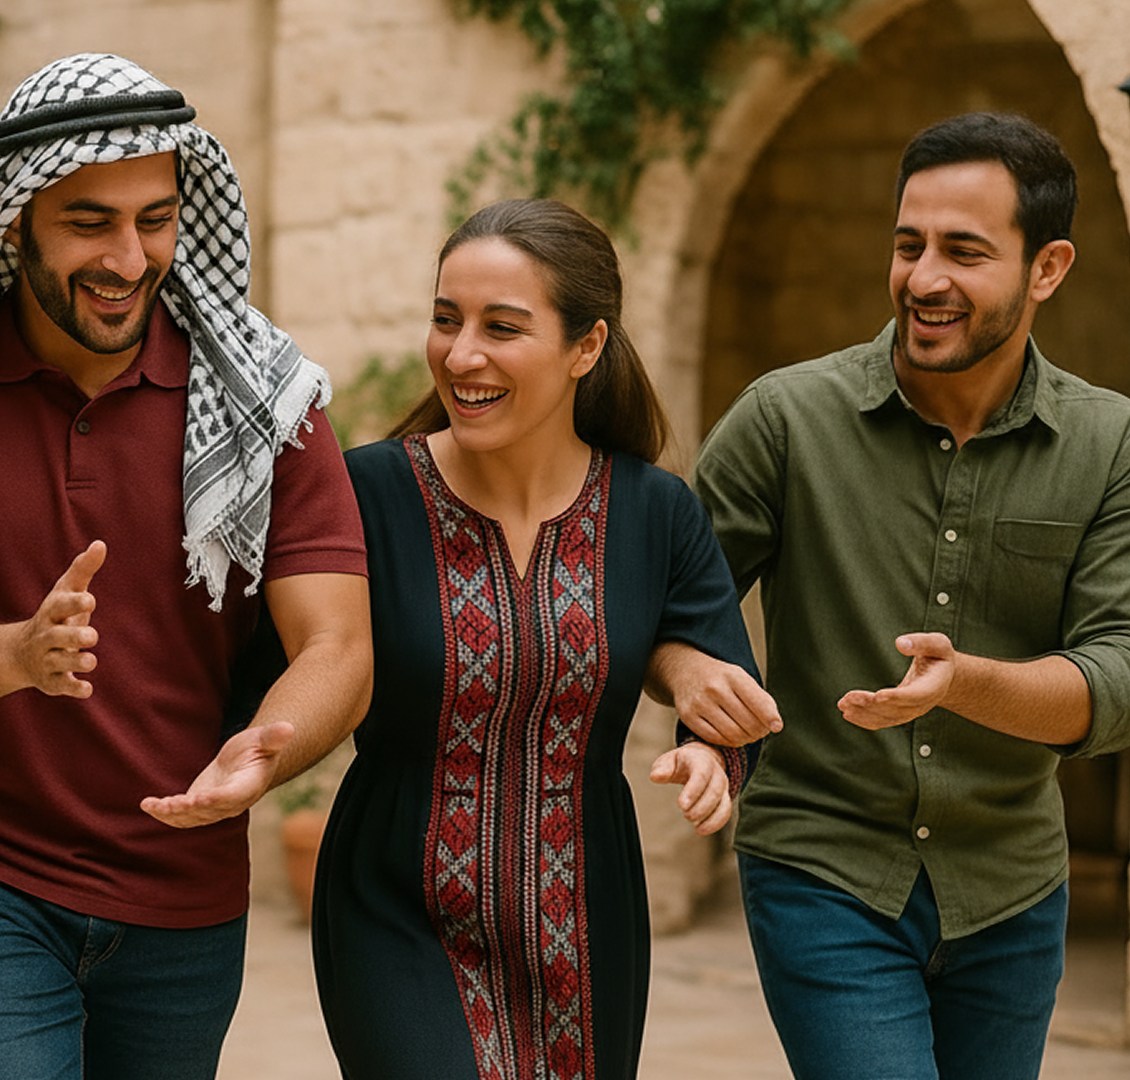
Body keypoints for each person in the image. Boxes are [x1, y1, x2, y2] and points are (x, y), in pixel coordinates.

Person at [0, 53, 373, 1080]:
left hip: (184, 892)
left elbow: (338, 644)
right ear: (15, 220)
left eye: (156, 220)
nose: (130, 257)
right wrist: (11, 656)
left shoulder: (267, 399)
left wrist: (269, 750)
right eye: (90, 222)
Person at [694, 111, 1130, 1080]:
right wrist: (701, 716)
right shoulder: (785, 419)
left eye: (964, 252)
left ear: (1048, 268)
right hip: (822, 868)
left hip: (1012, 893)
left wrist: (964, 683)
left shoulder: (1111, 447)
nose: (924, 279)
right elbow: (673, 602)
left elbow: (1119, 679)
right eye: (908, 245)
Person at [314, 198, 777, 1080]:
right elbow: (274, 662)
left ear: (586, 347)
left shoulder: (655, 511)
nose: (462, 355)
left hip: (587, 919)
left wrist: (711, 750)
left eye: (502, 327)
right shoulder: (364, 494)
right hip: (394, 905)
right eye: (446, 320)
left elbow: (723, 677)